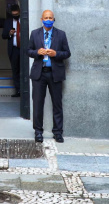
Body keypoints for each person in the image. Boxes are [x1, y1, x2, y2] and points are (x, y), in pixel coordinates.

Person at [28, 9, 71, 143]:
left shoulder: (61, 34)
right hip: (39, 73)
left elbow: (67, 53)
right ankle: (38, 131)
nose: (48, 19)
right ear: (41, 19)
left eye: (50, 18)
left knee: (57, 103)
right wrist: (37, 52)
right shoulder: (35, 33)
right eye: (45, 17)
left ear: (54, 19)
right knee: (38, 103)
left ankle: (58, 132)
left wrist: (55, 54)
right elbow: (28, 51)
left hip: (55, 73)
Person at [1, 4, 22, 97]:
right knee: (15, 70)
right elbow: (3, 35)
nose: (15, 16)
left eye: (17, 14)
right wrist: (9, 33)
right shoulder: (8, 22)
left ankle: (26, 90)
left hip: (24, 49)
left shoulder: (25, 20)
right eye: (14, 15)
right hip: (13, 49)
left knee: (24, 69)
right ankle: (18, 90)